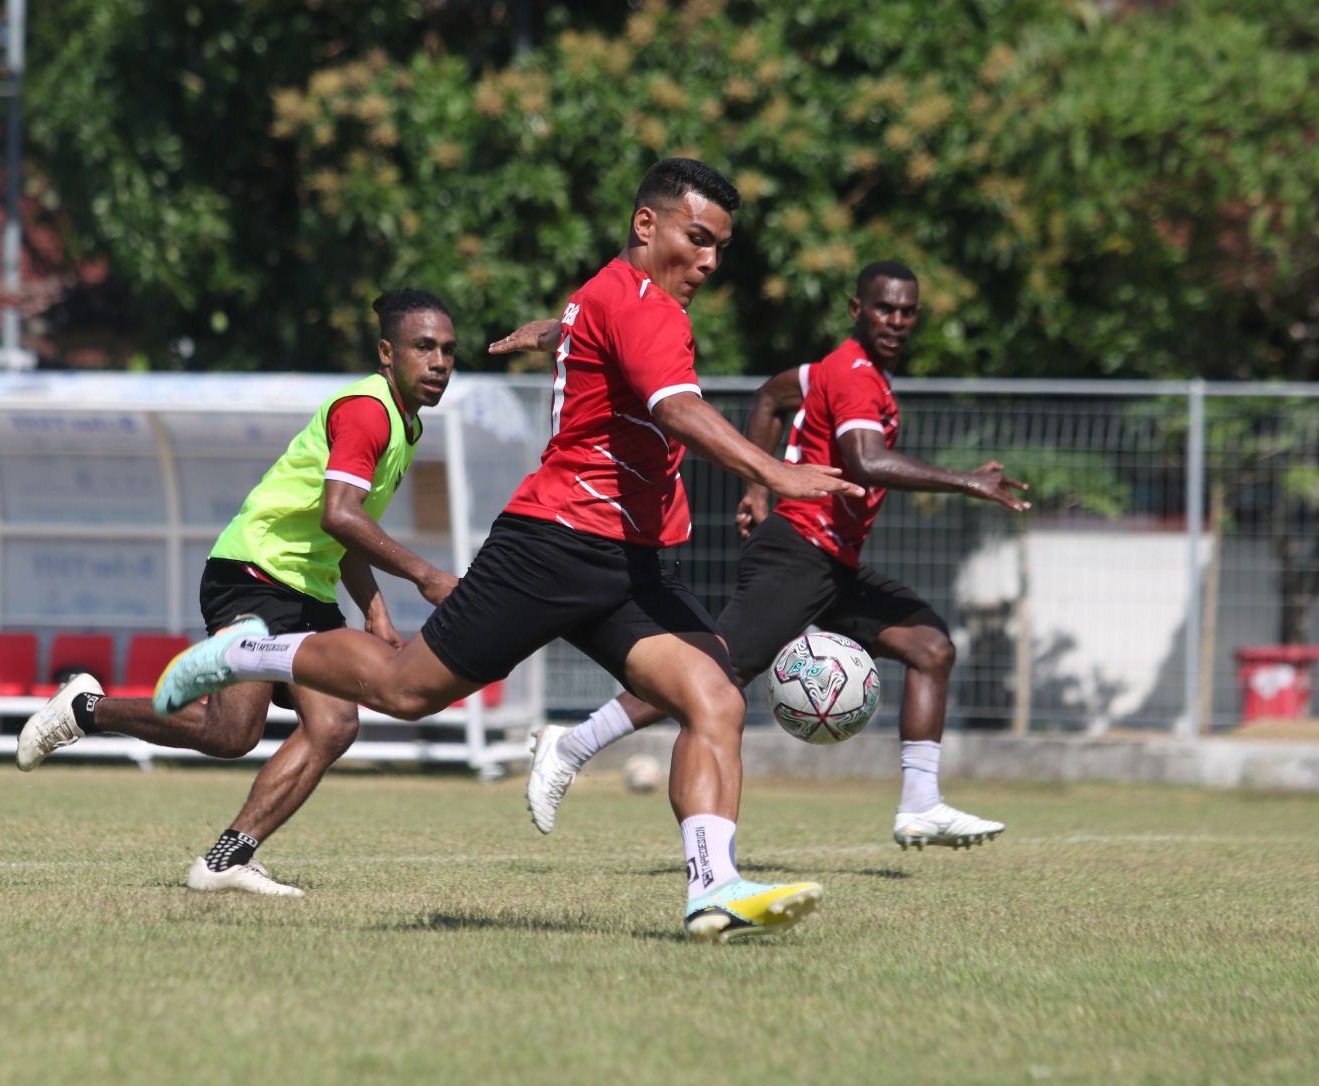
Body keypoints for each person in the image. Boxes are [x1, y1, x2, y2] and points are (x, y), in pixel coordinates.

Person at [153, 158, 862, 943]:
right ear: (646, 225)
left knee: (714, 696)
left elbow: (605, 336)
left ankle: (712, 888)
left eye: (720, 247)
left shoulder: (613, 297)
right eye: (698, 239)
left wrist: (559, 334)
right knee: (402, 689)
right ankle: (252, 652)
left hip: (627, 564)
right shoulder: (640, 306)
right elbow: (679, 408)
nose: (709, 261)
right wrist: (773, 469)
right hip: (553, 547)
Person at [523, 261, 1030, 849]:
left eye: (906, 310)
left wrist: (756, 488)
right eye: (884, 307)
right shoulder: (856, 375)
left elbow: (770, 395)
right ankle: (571, 744)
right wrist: (965, 480)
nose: (896, 319)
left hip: (832, 561)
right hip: (797, 552)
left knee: (930, 647)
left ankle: (920, 804)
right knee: (714, 673)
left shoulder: (832, 370)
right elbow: (864, 461)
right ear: (856, 310)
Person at [16, 289, 460, 895]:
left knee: (333, 725)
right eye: (423, 347)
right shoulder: (367, 411)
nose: (439, 362)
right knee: (232, 733)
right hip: (252, 573)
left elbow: (345, 529)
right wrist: (427, 577)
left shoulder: (404, 425)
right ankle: (83, 710)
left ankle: (226, 860)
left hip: (307, 592)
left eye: (448, 351)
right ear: (387, 352)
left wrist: (376, 611)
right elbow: (340, 516)